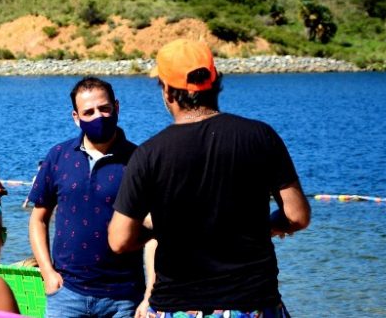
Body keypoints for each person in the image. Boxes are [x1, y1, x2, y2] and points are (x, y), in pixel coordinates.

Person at [108, 38, 311, 317]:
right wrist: (262, 227)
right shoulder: (261, 137)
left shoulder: (148, 154)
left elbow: (119, 240)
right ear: (216, 82)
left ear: (167, 91)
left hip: (179, 306)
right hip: (253, 304)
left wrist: (170, 229)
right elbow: (297, 216)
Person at [26, 76, 154, 318]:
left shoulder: (140, 160)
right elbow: (38, 219)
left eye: (104, 109)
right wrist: (47, 273)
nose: (99, 116)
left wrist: (149, 295)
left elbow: (156, 233)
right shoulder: (58, 156)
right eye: (89, 112)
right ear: (76, 118)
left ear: (116, 107)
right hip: (66, 294)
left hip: (124, 299)